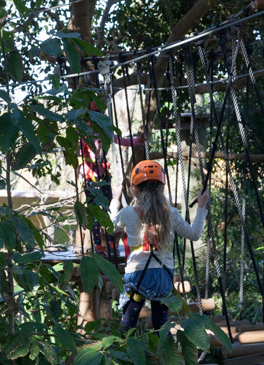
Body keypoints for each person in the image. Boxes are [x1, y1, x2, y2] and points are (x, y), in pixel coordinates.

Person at [110, 160, 210, 331]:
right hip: (163, 277)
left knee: (128, 325)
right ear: (162, 187)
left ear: (135, 189)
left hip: (137, 277)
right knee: (161, 327)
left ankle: (123, 352)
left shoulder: (128, 213)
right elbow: (194, 234)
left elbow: (110, 226)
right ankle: (164, 353)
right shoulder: (171, 213)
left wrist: (115, 200)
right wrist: (201, 207)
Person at [79, 101, 144, 257]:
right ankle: (98, 245)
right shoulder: (83, 137)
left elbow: (120, 140)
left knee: (109, 210)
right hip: (91, 179)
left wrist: (138, 141)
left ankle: (110, 242)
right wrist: (98, 148)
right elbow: (88, 156)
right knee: (95, 213)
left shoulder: (103, 133)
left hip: (103, 177)